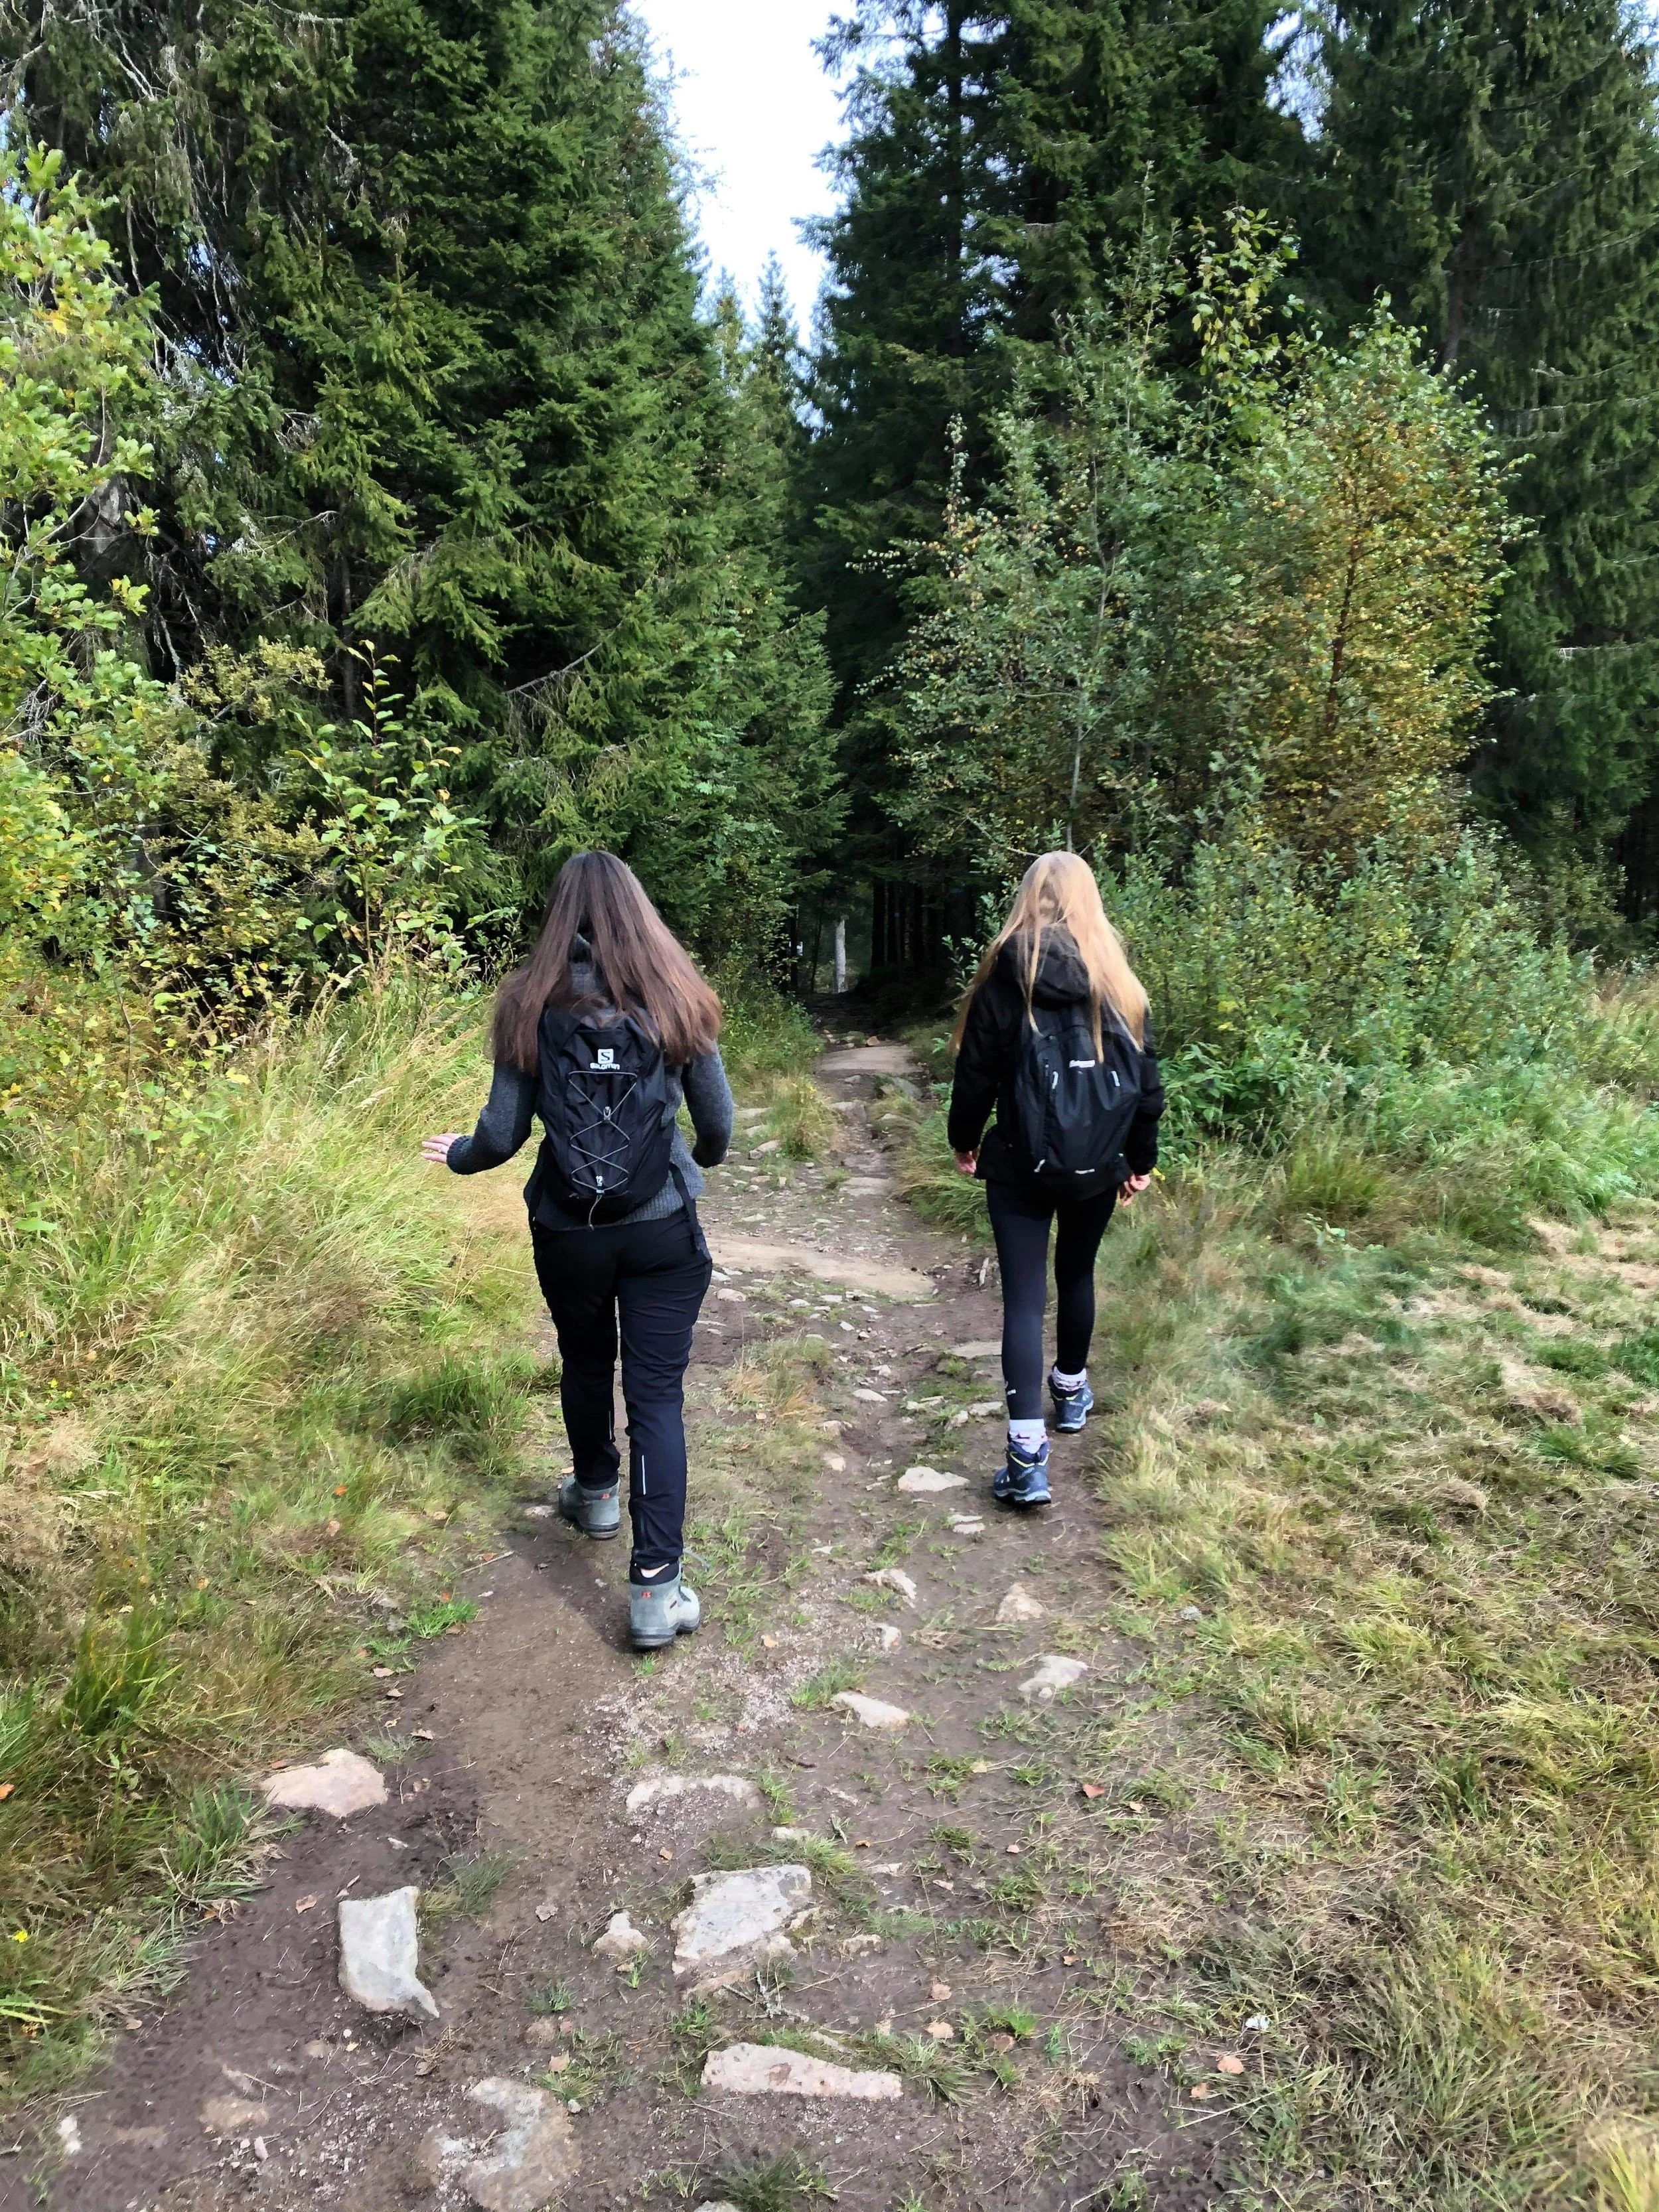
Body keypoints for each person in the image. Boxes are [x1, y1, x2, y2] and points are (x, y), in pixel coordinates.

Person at [421, 851, 733, 1649]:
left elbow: (501, 1135)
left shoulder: (529, 1000)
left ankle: (594, 1495)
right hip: (661, 1227)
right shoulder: (676, 993)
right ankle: (655, 1589)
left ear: (561, 914)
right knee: (656, 1400)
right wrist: (693, 1162)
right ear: (639, 911)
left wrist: (458, 1156)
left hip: (566, 1228)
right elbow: (718, 1125)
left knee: (586, 1361)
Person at [947, 851, 1165, 1508]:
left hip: (1018, 1162)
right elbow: (1147, 1089)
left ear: (1027, 899)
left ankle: (1025, 1460)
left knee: (1022, 1299)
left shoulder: (1004, 978)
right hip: (1098, 1165)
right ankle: (1070, 1392)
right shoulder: (1120, 985)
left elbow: (975, 1074)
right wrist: (1140, 1161)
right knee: (1076, 1273)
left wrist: (964, 1140)